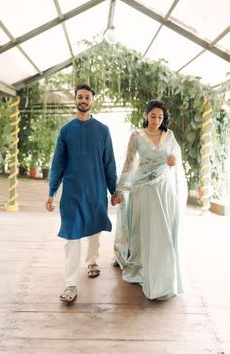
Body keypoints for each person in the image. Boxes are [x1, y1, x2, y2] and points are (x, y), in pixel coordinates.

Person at [46, 83, 117, 303]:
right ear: (75, 100)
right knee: (72, 236)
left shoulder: (103, 130)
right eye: (80, 97)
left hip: (96, 192)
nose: (83, 100)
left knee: (94, 231)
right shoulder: (66, 131)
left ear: (92, 101)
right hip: (72, 195)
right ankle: (70, 284)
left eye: (87, 97)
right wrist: (52, 192)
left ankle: (92, 260)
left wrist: (114, 190)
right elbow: (58, 164)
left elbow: (109, 164)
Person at [111, 99, 187, 300]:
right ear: (146, 115)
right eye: (153, 116)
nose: (156, 120)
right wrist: (119, 189)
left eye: (160, 117)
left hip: (164, 189)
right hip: (142, 189)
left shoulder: (169, 135)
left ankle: (165, 275)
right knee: (143, 230)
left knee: (164, 231)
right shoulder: (136, 136)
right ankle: (142, 269)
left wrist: (173, 161)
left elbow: (175, 157)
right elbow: (128, 163)